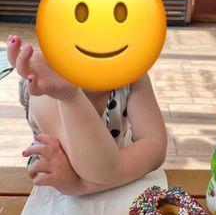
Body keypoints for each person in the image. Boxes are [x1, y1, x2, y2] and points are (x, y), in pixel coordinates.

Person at [6, 34, 167, 196]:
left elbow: (155, 146)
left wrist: (81, 185)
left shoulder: (131, 77)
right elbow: (100, 168)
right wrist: (70, 97)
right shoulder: (45, 88)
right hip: (56, 197)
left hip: (115, 190)